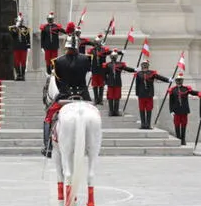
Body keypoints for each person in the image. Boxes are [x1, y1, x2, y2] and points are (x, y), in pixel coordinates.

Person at [42, 25, 91, 158]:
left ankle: (47, 146)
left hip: (65, 96)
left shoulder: (58, 62)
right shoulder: (86, 59)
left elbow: (58, 82)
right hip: (83, 96)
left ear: (66, 46)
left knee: (48, 117)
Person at [124, 60, 171, 129]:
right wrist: (137, 94)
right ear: (141, 66)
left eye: (146, 64)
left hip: (149, 94)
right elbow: (137, 84)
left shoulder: (152, 73)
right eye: (143, 64)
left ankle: (148, 124)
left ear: (148, 65)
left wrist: (167, 80)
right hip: (141, 94)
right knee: (142, 109)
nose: (145, 66)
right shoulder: (139, 74)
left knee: (149, 109)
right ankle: (143, 124)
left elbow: (159, 77)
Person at [167, 72, 199, 145]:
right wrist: (171, 111)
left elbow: (193, 92)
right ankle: (178, 138)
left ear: (182, 81)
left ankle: (183, 139)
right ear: (176, 81)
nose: (179, 82)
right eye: (178, 80)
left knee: (184, 125)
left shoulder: (186, 89)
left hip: (184, 110)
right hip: (176, 110)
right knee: (177, 125)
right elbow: (171, 101)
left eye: (180, 80)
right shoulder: (173, 90)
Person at [101, 49, 133, 116]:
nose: (113, 58)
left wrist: (134, 70)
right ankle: (111, 111)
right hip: (110, 83)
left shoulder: (120, 64)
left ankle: (116, 111)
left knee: (117, 97)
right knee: (110, 97)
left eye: (114, 56)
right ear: (110, 57)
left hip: (117, 83)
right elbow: (104, 74)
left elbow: (127, 69)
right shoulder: (107, 65)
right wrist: (106, 82)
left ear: (116, 57)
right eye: (112, 57)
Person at [87, 34, 111, 105]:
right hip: (94, 69)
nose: (97, 44)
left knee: (101, 85)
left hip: (102, 70)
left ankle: (100, 100)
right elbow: (88, 59)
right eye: (96, 43)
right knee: (95, 85)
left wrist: (119, 52)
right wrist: (88, 68)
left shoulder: (104, 50)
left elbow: (110, 53)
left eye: (98, 43)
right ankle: (96, 99)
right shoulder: (91, 50)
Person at [8, 12, 31, 81]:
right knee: (16, 62)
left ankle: (23, 75)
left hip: (24, 48)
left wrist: (29, 46)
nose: (19, 22)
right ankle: (18, 75)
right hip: (16, 47)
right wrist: (16, 26)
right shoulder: (13, 28)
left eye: (20, 21)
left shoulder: (25, 28)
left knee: (23, 61)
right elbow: (13, 34)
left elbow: (28, 38)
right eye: (18, 21)